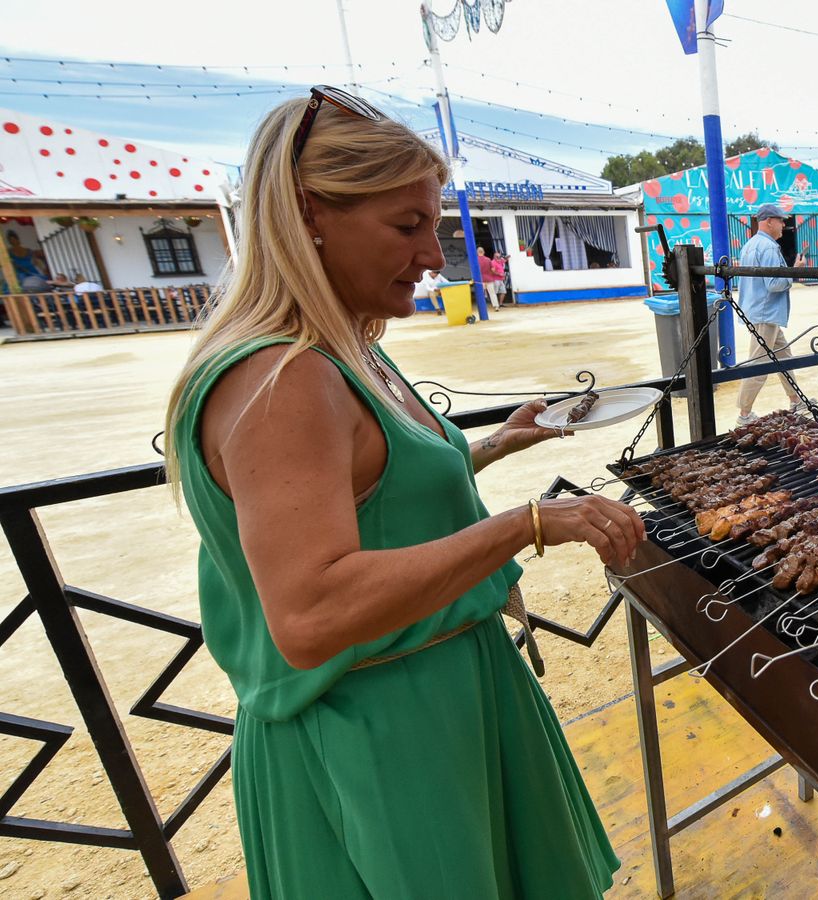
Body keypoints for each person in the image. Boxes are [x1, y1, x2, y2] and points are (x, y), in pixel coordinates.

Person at [162, 87, 635, 898]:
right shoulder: (281, 378)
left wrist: (485, 448)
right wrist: (528, 524)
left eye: (436, 225)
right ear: (309, 212)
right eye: (407, 226)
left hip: (443, 698)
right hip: (380, 733)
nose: (433, 255)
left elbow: (372, 501)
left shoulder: (344, 348)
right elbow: (312, 614)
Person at [734, 204, 805, 425]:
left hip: (758, 312)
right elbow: (773, 284)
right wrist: (794, 272)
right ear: (768, 221)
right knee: (758, 365)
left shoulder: (750, 245)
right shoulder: (769, 248)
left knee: (783, 355)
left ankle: (796, 400)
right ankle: (744, 415)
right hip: (765, 313)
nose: (784, 225)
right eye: (781, 220)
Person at [478, 245, 504, 310]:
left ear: (477, 252)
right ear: (483, 252)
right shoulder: (488, 259)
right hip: (489, 279)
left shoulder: (475, 260)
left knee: (480, 294)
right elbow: (493, 270)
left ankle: (482, 308)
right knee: (492, 293)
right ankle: (496, 306)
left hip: (480, 280)